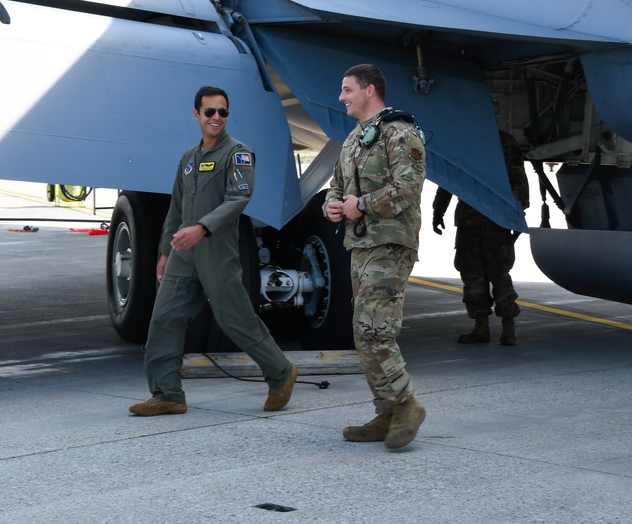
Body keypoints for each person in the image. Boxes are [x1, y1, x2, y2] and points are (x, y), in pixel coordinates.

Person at [129, 86, 297, 416]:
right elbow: (176, 210)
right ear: (197, 115)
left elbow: (238, 199)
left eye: (222, 112)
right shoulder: (189, 159)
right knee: (164, 318)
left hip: (216, 251)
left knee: (234, 320)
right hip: (183, 253)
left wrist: (202, 227)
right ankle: (167, 394)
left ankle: (281, 372)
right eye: (210, 112)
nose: (216, 117)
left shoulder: (238, 154)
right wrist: (164, 252)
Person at [323, 64, 426, 450]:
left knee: (374, 328)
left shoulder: (400, 132)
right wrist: (333, 207)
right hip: (362, 245)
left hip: (391, 244)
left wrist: (360, 206)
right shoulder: (353, 140)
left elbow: (408, 187)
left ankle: (406, 405)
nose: (341, 96)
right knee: (362, 331)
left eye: (347, 89)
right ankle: (386, 413)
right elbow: (336, 188)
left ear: (369, 90)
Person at [431, 130, 530, 346]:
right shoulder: (496, 140)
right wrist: (438, 210)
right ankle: (487, 327)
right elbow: (449, 178)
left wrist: (517, 214)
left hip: (491, 220)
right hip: (481, 221)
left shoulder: (478, 141)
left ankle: (504, 328)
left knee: (495, 274)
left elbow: (517, 176)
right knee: (478, 274)